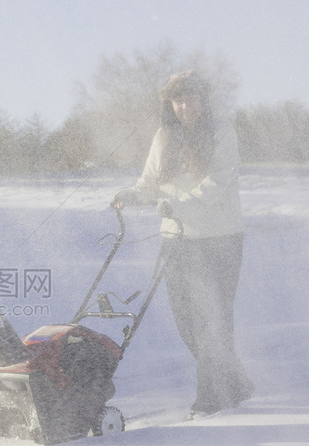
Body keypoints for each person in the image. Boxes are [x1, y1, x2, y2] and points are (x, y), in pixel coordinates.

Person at [112, 70, 253, 417]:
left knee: (213, 320)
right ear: (170, 103)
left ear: (204, 101)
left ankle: (212, 399)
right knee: (187, 322)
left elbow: (219, 182)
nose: (185, 106)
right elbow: (149, 183)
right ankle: (235, 381)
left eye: (191, 98)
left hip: (218, 238)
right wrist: (131, 195)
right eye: (178, 100)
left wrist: (179, 206)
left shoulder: (222, 133)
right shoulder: (163, 136)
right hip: (176, 240)